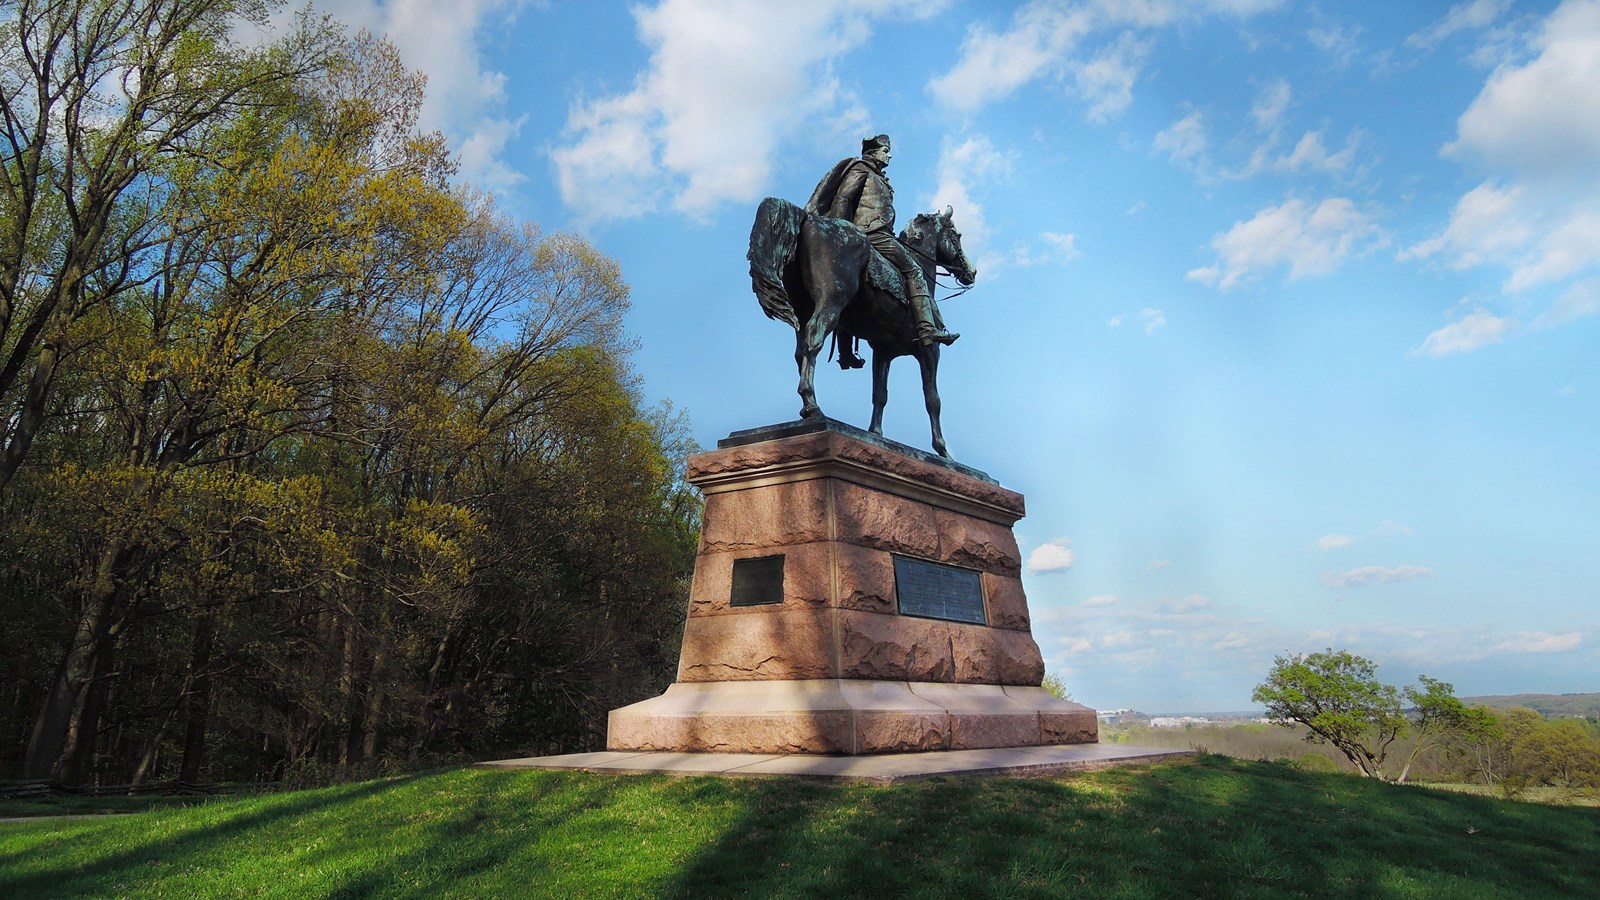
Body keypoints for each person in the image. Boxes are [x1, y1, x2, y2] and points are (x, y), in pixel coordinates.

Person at [806, 134, 957, 368]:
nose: (889, 154)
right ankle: (927, 329)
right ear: (873, 152)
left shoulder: (876, 175)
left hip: (876, 234)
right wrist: (842, 232)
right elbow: (844, 199)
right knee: (914, 270)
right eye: (885, 150)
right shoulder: (861, 169)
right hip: (872, 235)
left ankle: (846, 353)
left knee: (847, 290)